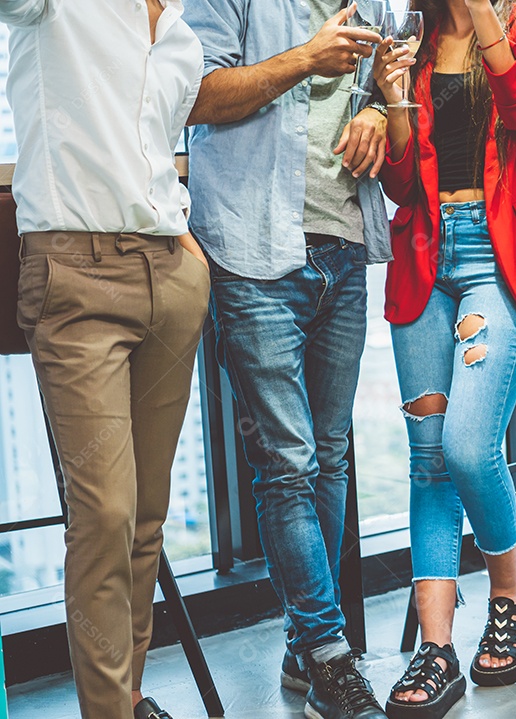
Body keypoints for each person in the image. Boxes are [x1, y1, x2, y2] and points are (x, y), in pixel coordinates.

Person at [183, 2, 391, 717]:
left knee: (329, 457)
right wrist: (306, 58)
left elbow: (387, 80)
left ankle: (307, 651)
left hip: (346, 244)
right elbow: (195, 95)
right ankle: (331, 655)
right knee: (289, 464)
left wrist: (380, 111)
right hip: (251, 248)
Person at [3, 2, 208, 717]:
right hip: (75, 276)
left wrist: (186, 251)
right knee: (106, 514)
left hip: (170, 276)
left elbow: (150, 155)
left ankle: (129, 695)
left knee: (147, 515)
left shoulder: (181, 34)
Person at [372, 1, 516, 715]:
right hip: (426, 257)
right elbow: (401, 183)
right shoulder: (417, 36)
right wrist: (393, 96)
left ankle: (510, 594)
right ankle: (435, 649)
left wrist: (482, 10)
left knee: (465, 444)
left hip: (501, 255)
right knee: (428, 458)